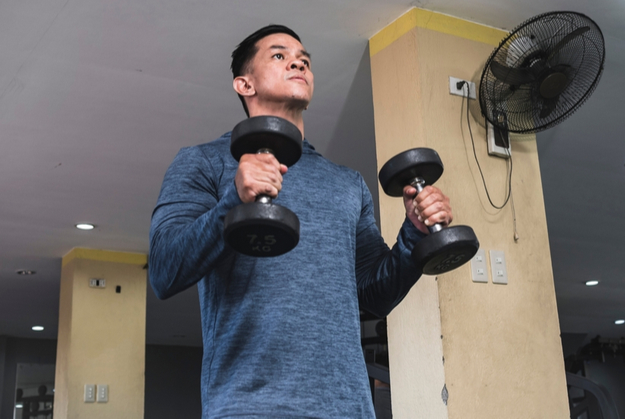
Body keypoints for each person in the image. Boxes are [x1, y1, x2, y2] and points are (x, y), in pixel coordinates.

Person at [149, 25, 454, 418]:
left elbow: (375, 294)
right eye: (278, 55)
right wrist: (233, 201)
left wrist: (414, 234)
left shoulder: (346, 183)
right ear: (244, 84)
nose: (298, 61)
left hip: (348, 407)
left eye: (304, 58)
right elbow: (163, 270)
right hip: (249, 406)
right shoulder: (202, 162)